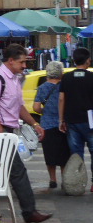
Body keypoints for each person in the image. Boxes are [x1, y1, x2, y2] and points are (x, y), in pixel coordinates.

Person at [0, 43, 52, 223]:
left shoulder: (14, 79)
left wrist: (34, 124)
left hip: (6, 131)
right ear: (11, 60)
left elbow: (19, 107)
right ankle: (29, 212)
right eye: (21, 62)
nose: (24, 66)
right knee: (16, 171)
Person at [58, 47, 93, 193]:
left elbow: (61, 99)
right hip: (91, 122)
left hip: (72, 121)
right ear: (88, 60)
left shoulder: (66, 77)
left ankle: (77, 185)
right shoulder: (92, 77)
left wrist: (61, 120)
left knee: (76, 154)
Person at [32, 61, 70, 189]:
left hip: (47, 124)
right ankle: (64, 179)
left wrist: (45, 111)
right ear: (61, 73)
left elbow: (36, 108)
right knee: (64, 153)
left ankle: (52, 179)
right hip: (63, 124)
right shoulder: (64, 86)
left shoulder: (42, 87)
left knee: (49, 153)